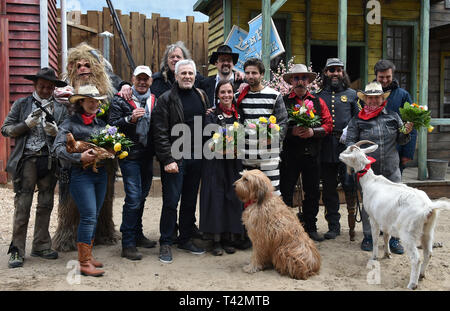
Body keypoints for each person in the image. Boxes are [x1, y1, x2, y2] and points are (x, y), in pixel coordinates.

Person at [52, 42, 119, 251]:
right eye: (78, 65)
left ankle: (102, 233)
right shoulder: (62, 93)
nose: (82, 69)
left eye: (87, 65)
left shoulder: (108, 93)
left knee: (101, 201)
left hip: (102, 161)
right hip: (72, 161)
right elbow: (60, 134)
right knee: (69, 199)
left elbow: (112, 121)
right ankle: (68, 236)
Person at [1, 67, 68, 268]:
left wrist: (57, 133)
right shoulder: (22, 104)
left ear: (54, 88)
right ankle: (16, 250)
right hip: (27, 160)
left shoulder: (61, 109)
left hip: (49, 160)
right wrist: (25, 125)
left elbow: (67, 136)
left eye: (49, 87)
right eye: (42, 86)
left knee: (46, 204)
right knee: (23, 205)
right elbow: (6, 129)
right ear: (35, 85)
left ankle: (40, 244)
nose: (46, 90)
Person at [151, 59, 211, 263]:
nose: (187, 76)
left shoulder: (201, 95)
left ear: (195, 76)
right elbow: (159, 132)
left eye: (190, 73)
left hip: (197, 157)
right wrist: (167, 158)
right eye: (183, 73)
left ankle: (185, 238)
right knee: (171, 201)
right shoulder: (166, 99)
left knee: (189, 200)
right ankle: (166, 242)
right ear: (176, 76)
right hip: (176, 158)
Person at [345, 82, 413, 252]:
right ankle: (369, 236)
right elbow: (350, 142)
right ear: (365, 99)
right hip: (368, 173)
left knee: (396, 204)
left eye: (377, 97)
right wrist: (354, 152)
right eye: (370, 98)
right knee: (370, 205)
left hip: (391, 168)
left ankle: (394, 240)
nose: (373, 100)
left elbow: (402, 140)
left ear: (382, 98)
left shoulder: (393, 116)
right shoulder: (357, 120)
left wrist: (407, 132)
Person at [53, 85, 110, 277]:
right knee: (88, 216)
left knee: (94, 214)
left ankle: (88, 255)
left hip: (100, 174)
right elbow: (57, 149)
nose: (94, 104)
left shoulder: (101, 125)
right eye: (90, 100)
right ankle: (84, 262)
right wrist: (79, 158)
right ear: (81, 102)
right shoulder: (69, 124)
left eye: (97, 100)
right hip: (80, 175)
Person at [279, 64, 333, 242]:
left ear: (309, 81)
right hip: (290, 155)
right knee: (286, 191)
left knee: (312, 192)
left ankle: (310, 227)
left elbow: (328, 124)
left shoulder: (318, 101)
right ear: (291, 82)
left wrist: (313, 132)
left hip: (313, 155)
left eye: (303, 78)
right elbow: (277, 125)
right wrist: (291, 131)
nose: (300, 81)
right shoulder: (283, 100)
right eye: (296, 78)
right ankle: (287, 229)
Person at [109, 65, 157, 260]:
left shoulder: (154, 100)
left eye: (146, 79)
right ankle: (127, 242)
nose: (143, 82)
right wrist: (130, 119)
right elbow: (111, 125)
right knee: (134, 197)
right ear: (133, 79)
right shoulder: (121, 99)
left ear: (151, 81)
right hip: (128, 156)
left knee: (142, 196)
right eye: (139, 78)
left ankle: (137, 234)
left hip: (147, 155)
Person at [315, 58, 360, 241]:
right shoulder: (318, 96)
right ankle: (333, 225)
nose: (335, 73)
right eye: (331, 70)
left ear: (343, 73)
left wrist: (350, 134)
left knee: (349, 185)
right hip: (325, 148)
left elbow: (359, 119)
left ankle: (352, 225)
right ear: (325, 73)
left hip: (346, 149)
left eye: (338, 70)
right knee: (329, 189)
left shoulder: (352, 95)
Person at [199, 80, 245, 256]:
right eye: (222, 92)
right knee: (216, 198)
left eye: (229, 92)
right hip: (215, 163)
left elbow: (243, 137)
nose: (226, 95)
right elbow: (208, 139)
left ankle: (228, 238)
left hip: (233, 162)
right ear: (217, 95)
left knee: (232, 197)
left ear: (233, 93)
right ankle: (216, 240)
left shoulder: (239, 114)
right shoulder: (211, 115)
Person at [236, 58, 288, 195]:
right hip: (247, 155)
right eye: (247, 73)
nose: (250, 76)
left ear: (262, 74)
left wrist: (274, 138)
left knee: (271, 195)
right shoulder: (239, 97)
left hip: (269, 156)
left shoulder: (275, 96)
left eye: (254, 73)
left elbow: (283, 122)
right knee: (248, 196)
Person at [374, 59, 417, 175]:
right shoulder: (367, 95)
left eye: (388, 77)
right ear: (376, 76)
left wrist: (407, 152)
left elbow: (412, 124)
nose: (384, 80)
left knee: (394, 188)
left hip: (396, 151)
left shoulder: (403, 95)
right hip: (372, 152)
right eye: (381, 77)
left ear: (393, 75)